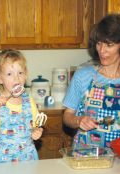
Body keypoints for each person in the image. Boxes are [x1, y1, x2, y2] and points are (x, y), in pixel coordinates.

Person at [63, 14, 120, 148]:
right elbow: (67, 116)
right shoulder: (83, 75)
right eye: (99, 43)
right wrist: (79, 120)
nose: (101, 50)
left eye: (109, 45)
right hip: (87, 154)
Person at [0, 49, 43, 163]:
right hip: (0, 162)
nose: (16, 78)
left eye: (20, 73)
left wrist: (36, 132)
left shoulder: (29, 101)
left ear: (25, 75)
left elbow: (35, 127)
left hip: (27, 160)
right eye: (9, 74)